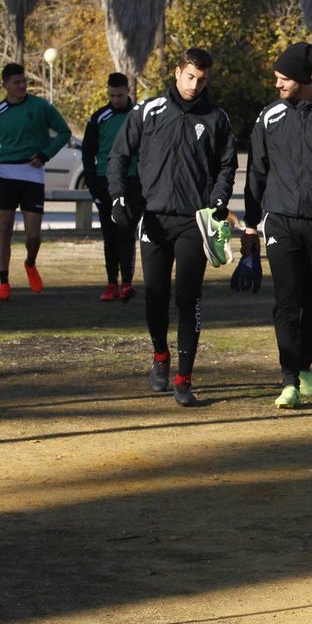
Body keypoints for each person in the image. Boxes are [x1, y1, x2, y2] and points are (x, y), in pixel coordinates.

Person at [108, 47, 237, 407]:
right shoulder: (148, 111)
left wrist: (218, 200)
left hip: (194, 222)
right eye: (190, 77)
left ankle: (184, 378)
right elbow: (119, 155)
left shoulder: (216, 117)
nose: (195, 85)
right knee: (155, 296)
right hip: (153, 219)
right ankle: (160, 355)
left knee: (188, 298)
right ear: (178, 72)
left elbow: (227, 165)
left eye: (202, 79)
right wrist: (118, 195)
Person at [244, 42, 312, 408]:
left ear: (303, 79)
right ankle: (289, 377)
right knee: (287, 300)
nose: (277, 84)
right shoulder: (269, 116)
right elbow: (257, 171)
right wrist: (251, 223)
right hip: (280, 221)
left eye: (284, 78)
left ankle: (304, 365)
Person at [0, 62, 72, 301]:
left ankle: (30, 262)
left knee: (33, 236)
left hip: (33, 175)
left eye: (24, 81)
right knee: (4, 228)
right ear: (5, 85)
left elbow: (64, 132)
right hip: (7, 174)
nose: (22, 86)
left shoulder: (40, 106)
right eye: (16, 82)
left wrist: (46, 154)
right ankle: (4, 284)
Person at [82, 72, 139, 302]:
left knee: (126, 232)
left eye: (120, 95)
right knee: (109, 234)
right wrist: (93, 186)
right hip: (105, 181)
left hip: (132, 180)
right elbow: (88, 153)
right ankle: (111, 282)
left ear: (128, 91)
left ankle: (127, 282)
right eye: (112, 95)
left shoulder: (138, 115)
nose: (116, 100)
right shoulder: (99, 118)